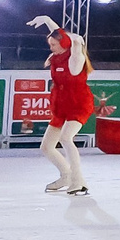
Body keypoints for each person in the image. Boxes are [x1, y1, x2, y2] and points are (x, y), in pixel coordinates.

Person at [28, 14, 93, 195]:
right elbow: (60, 35)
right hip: (61, 106)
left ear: (64, 44)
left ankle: (78, 181)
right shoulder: (57, 57)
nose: (51, 48)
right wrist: (47, 20)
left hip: (78, 105)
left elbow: (73, 41)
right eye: (50, 45)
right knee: (46, 147)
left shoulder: (76, 59)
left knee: (66, 138)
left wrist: (74, 39)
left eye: (54, 45)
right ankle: (66, 175)